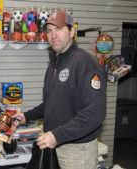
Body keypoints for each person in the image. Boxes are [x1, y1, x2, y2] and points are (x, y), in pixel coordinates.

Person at [14, 10, 107, 169]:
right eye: (49, 30)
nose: (53, 35)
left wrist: (57, 135)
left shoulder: (85, 63)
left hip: (77, 151)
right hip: (55, 145)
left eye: (59, 29)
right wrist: (26, 116)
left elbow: (95, 114)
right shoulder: (54, 64)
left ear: (72, 31)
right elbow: (51, 103)